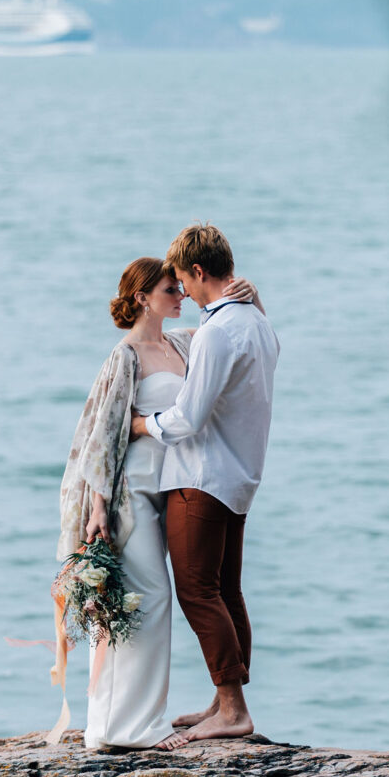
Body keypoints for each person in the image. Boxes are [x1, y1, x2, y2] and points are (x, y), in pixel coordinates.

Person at [55, 255, 260, 750]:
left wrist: (248, 294)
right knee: (151, 600)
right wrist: (98, 506)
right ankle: (137, 727)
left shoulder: (182, 342)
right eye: (170, 289)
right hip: (132, 497)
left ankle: (107, 726)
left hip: (173, 489)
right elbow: (102, 434)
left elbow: (226, 331)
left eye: (180, 287)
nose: (180, 295)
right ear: (143, 296)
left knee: (137, 604)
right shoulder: (124, 356)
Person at [131, 223, 280, 746]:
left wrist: (141, 425)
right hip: (240, 473)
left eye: (183, 283)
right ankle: (225, 700)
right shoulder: (257, 323)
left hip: (202, 475)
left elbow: (189, 416)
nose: (184, 294)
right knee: (226, 589)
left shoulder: (218, 331)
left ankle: (233, 708)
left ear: (198, 272)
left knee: (198, 592)